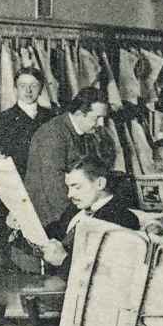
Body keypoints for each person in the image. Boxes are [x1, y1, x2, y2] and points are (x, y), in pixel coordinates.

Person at [33, 157, 143, 275]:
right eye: (68, 187)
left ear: (100, 183)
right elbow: (50, 234)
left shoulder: (122, 219)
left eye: (77, 187)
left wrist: (64, 261)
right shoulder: (74, 210)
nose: (70, 194)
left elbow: (108, 274)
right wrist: (23, 226)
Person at [23, 87, 111, 227]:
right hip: (51, 219)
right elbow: (54, 189)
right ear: (79, 114)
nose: (101, 124)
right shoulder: (52, 135)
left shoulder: (84, 132)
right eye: (97, 118)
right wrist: (79, 220)